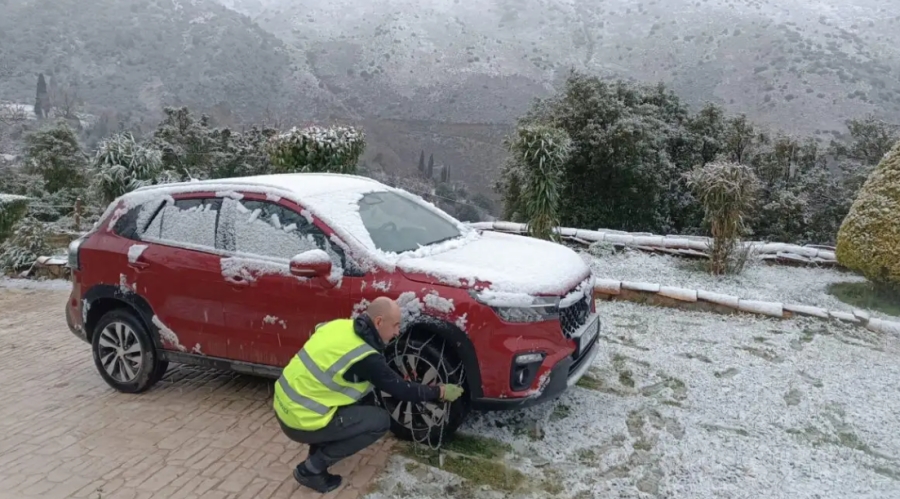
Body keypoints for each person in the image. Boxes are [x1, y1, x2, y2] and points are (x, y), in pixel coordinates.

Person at [273, 296, 465, 493]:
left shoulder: (339, 325)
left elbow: (319, 331)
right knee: (380, 422)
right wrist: (439, 391)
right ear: (379, 322)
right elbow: (402, 390)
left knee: (359, 400)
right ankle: (311, 469)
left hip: (283, 402)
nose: (397, 332)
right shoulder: (366, 358)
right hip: (301, 420)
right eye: (395, 326)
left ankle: (318, 446)